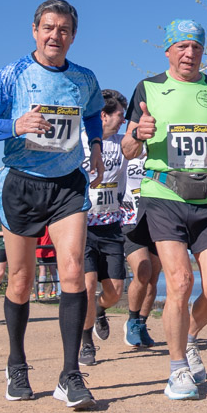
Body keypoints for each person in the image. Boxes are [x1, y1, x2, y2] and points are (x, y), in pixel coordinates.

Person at [0, 0, 104, 410]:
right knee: (21, 281)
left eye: (64, 29)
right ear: (35, 31)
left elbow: (93, 113)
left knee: (72, 270)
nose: (55, 35)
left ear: (73, 36)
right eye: (48, 28)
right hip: (22, 184)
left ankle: (70, 375)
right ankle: (16, 364)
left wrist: (95, 145)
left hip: (68, 185)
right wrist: (14, 124)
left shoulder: (84, 78)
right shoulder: (13, 75)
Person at [122, 19, 207, 400]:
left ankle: (188, 338)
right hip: (163, 194)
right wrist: (137, 134)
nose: (190, 54)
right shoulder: (148, 88)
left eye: (197, 47)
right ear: (168, 50)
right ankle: (177, 371)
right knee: (180, 282)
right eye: (182, 47)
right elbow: (128, 149)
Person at [79, 90, 129, 367]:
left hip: (111, 226)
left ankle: (100, 309)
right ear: (103, 116)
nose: (123, 120)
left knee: (115, 291)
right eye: (119, 115)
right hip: (82, 226)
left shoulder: (124, 144)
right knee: (87, 287)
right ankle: (86, 342)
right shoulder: (80, 142)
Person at [121, 150, 159, 349]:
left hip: (158, 221)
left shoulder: (161, 153)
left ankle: (142, 324)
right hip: (131, 220)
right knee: (143, 271)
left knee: (152, 280)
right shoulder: (126, 151)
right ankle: (132, 320)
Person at [35, 227, 59, 298]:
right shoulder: (52, 226)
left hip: (41, 251)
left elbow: (36, 239)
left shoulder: (40, 226)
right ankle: (54, 290)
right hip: (51, 250)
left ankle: (41, 291)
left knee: (42, 270)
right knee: (53, 270)